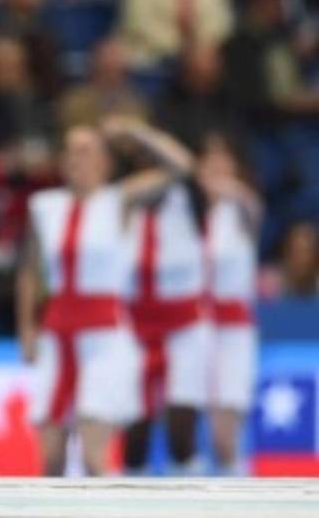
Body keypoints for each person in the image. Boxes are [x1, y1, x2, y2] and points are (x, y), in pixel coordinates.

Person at [16, 116, 194, 476]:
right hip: (57, 332)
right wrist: (27, 328)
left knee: (94, 454)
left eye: (85, 151)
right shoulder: (44, 206)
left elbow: (182, 167)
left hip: (105, 335)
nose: (75, 159)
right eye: (69, 152)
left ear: (105, 162)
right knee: (49, 459)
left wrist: (136, 133)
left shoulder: (120, 200)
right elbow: (30, 272)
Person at [122, 182, 209, 475]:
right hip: (135, 331)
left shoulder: (192, 199)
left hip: (183, 328)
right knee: (134, 441)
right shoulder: (122, 200)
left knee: (181, 435)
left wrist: (138, 134)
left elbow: (187, 169)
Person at [195, 132, 261, 475]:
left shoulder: (243, 210)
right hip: (196, 328)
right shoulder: (190, 213)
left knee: (226, 435)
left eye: (223, 159)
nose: (215, 166)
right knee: (199, 430)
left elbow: (251, 205)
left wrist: (223, 185)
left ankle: (242, 490)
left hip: (233, 330)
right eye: (208, 159)